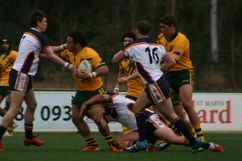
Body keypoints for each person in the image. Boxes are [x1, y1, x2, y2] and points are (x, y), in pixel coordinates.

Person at [112, 20, 220, 153]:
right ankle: (142, 142)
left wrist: (126, 48)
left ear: (137, 31)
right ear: (149, 32)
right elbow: (172, 61)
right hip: (157, 83)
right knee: (137, 109)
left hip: (154, 84)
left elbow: (115, 59)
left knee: (171, 116)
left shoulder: (133, 46)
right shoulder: (158, 46)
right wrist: (160, 72)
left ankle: (194, 141)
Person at [0, 10, 75, 151]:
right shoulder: (39, 36)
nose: (46, 24)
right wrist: (69, 66)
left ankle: (29, 138)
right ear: (39, 22)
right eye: (45, 21)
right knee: (14, 108)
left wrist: (64, 46)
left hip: (25, 75)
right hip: (21, 75)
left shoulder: (29, 33)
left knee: (32, 105)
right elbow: (51, 55)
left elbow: (48, 50)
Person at [79, 93, 223, 152]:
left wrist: (85, 103)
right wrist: (86, 112)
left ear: (101, 106)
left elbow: (102, 96)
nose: (100, 115)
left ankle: (207, 145)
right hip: (139, 130)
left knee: (175, 139)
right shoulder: (107, 114)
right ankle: (149, 147)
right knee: (120, 142)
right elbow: (100, 120)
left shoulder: (115, 100)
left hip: (149, 120)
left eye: (98, 111)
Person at [58, 31, 123, 152]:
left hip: (95, 92)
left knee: (98, 118)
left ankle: (111, 143)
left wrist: (91, 75)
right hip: (81, 92)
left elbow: (105, 68)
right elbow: (49, 52)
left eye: (69, 42)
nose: (67, 44)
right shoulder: (68, 51)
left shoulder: (90, 53)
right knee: (76, 118)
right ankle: (92, 144)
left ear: (77, 44)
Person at [157, 15, 205, 141]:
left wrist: (156, 72)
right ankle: (179, 133)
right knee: (159, 104)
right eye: (160, 27)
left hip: (184, 73)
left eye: (163, 27)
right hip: (169, 75)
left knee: (187, 104)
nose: (161, 30)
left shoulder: (181, 40)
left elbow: (171, 62)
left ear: (172, 27)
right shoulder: (160, 38)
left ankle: (201, 137)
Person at [0, 37, 18, 136]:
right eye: (3, 44)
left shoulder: (14, 54)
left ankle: (9, 129)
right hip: (2, 84)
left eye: (6, 43)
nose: (4, 45)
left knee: (9, 105)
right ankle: (11, 122)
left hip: (12, 83)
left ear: (9, 45)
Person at [114, 32, 144, 101]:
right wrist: (117, 87)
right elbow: (121, 73)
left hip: (144, 92)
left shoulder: (139, 55)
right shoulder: (122, 59)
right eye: (125, 41)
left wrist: (127, 78)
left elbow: (141, 72)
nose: (127, 43)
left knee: (152, 111)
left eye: (129, 41)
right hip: (131, 93)